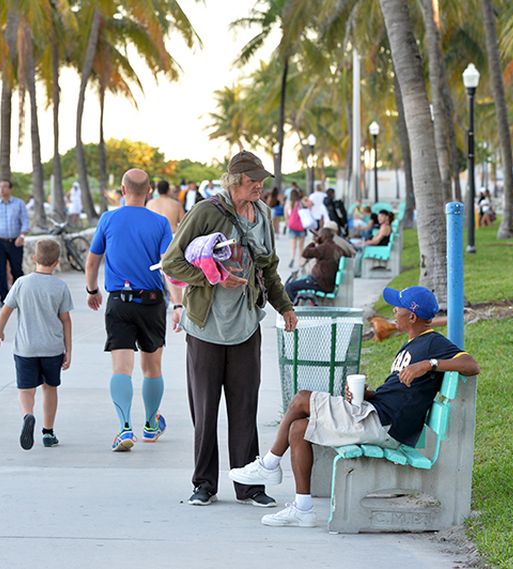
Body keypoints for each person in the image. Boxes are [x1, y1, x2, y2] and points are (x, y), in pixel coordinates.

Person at [229, 285, 480, 527]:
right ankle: (302, 509)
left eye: (398, 307)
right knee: (298, 429)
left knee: (301, 399)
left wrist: (428, 364)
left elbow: (471, 365)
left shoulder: (432, 343)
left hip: (383, 424)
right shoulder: (412, 345)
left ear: (412, 316)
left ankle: (269, 465)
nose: (394, 311)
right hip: (377, 414)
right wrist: (369, 395)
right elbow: (402, 395)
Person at [162, 150, 298, 508]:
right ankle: (204, 484)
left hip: (246, 326)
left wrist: (284, 306)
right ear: (236, 180)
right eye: (254, 180)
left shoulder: (263, 214)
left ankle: (248, 486)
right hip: (206, 327)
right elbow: (171, 262)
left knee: (245, 409)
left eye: (262, 180)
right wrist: (214, 277)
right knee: (205, 411)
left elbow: (268, 268)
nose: (260, 186)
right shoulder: (205, 212)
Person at [85, 169, 179, 452]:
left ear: (122, 190)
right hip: (151, 303)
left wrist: (92, 290)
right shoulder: (160, 223)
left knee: (121, 369)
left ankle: (125, 427)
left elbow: (92, 262)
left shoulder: (108, 219)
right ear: (149, 191)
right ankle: (150, 425)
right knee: (152, 368)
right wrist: (178, 304)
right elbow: (168, 268)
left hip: (119, 303)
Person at [0, 239, 73, 450]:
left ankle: (28, 415)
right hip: (52, 349)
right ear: (56, 262)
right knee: (50, 388)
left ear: (34, 258)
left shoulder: (21, 283)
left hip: (26, 349)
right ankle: (48, 432)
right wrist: (68, 350)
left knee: (26, 390)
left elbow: (6, 310)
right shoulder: (60, 286)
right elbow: (66, 320)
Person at [0, 180, 29, 306]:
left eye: (4, 187)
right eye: (0, 187)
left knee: (17, 270)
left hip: (15, 242)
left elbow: (25, 221)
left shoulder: (19, 204)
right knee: (0, 271)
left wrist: (22, 236)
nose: (2, 190)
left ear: (10, 189)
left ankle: (18, 298)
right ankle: (4, 299)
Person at [284, 227, 342, 302]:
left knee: (289, 287)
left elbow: (305, 253)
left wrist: (313, 242)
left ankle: (294, 307)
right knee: (293, 285)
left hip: (319, 283)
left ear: (322, 237)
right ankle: (296, 303)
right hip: (326, 283)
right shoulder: (336, 248)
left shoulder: (324, 248)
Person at [286, 192, 311, 268]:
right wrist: (305, 198)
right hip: (301, 227)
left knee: (293, 245)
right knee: (301, 246)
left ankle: (292, 258)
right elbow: (310, 204)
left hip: (292, 227)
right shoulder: (301, 203)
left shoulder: (289, 204)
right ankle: (301, 261)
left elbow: (287, 216)